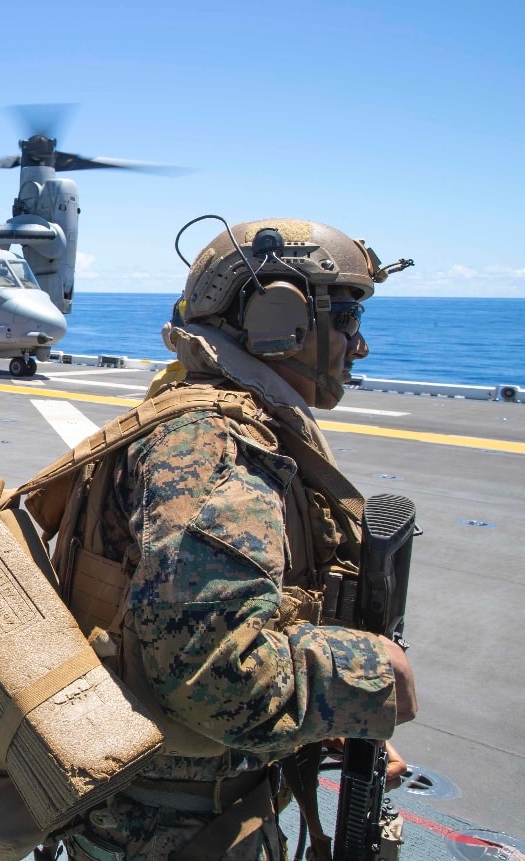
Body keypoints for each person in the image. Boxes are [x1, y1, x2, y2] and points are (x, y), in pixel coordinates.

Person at [61, 219, 417, 860]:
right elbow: (210, 672)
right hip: (177, 828)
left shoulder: (200, 418)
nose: (356, 346)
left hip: (164, 810)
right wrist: (366, 676)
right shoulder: (216, 450)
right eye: (344, 319)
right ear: (282, 318)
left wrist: (325, 720)